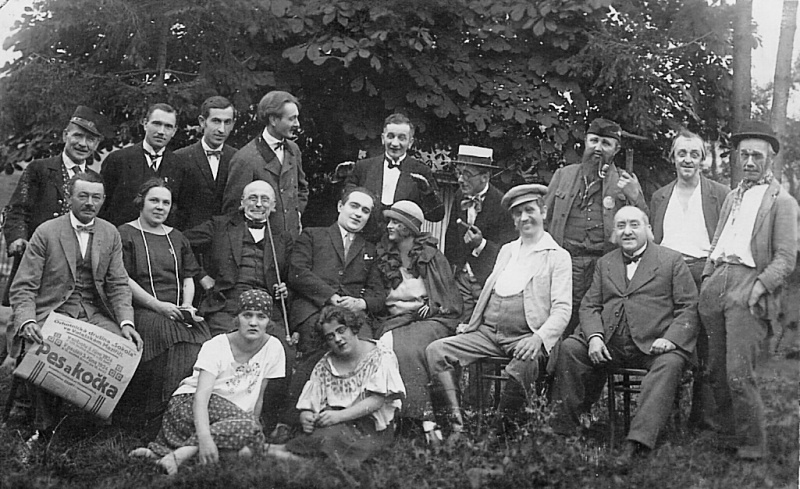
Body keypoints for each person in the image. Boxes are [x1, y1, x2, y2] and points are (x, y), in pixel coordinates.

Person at [550, 206, 698, 465]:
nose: (627, 231)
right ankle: (564, 432)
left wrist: (671, 339)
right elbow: (589, 305)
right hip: (611, 344)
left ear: (648, 229)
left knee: (670, 363)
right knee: (572, 348)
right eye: (621, 226)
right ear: (614, 233)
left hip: (654, 346)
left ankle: (637, 442)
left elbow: (689, 307)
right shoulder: (605, 263)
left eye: (634, 225)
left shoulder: (671, 260)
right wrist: (594, 337)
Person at [427, 184, 571, 437]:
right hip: (488, 334)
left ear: (543, 212)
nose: (524, 218)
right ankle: (455, 430)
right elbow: (491, 289)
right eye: (517, 213)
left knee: (525, 364)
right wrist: (472, 325)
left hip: (525, 337)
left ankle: (499, 434)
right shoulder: (508, 250)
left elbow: (562, 309)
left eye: (530, 210)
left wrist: (538, 338)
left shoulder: (557, 256)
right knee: (437, 351)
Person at [9, 172, 143, 443]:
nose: (90, 203)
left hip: (93, 312)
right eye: (83, 196)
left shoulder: (109, 233)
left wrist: (126, 323)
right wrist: (27, 320)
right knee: (42, 345)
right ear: (69, 198)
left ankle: (94, 427)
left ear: (103, 200)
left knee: (124, 350)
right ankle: (43, 427)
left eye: (96, 197)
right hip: (52, 311)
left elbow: (118, 284)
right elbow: (24, 286)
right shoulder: (46, 231)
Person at [698, 121, 798, 460]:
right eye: (744, 155)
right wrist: (708, 277)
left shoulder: (782, 202)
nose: (750, 162)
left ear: (770, 159)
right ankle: (728, 435)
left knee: (739, 373)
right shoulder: (732, 196)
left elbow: (786, 258)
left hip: (748, 283)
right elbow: (718, 240)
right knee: (715, 371)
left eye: (757, 156)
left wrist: (758, 288)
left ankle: (753, 446)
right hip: (717, 282)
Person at [267, 187, 386, 442]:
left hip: (351, 316)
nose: (358, 214)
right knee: (320, 342)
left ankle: (352, 418)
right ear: (340, 206)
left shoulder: (369, 249)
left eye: (365, 211)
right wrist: (330, 296)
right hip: (314, 308)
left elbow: (378, 293)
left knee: (362, 347)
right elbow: (297, 272)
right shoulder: (313, 235)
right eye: (354, 206)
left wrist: (361, 303)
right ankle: (289, 419)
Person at [129, 289, 286, 475]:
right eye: (247, 315)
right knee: (250, 429)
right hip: (189, 406)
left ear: (269, 321)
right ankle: (179, 456)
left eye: (261, 317)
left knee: (248, 448)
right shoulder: (217, 345)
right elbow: (201, 398)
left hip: (230, 421)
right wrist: (204, 438)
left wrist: (252, 433)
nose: (253, 322)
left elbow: (258, 397)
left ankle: (167, 453)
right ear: (237, 318)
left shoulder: (274, 348)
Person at [649, 129, 730, 429]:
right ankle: (665, 415)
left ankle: (703, 420)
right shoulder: (660, 196)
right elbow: (655, 241)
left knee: (707, 347)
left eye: (694, 154)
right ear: (672, 158)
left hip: (704, 274)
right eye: (681, 153)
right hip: (667, 276)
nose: (687, 159)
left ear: (703, 160)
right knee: (668, 340)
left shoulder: (719, 194)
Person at [117, 178, 211, 427]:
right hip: (144, 309)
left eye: (166, 202)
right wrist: (158, 306)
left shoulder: (177, 237)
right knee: (173, 343)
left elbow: (188, 276)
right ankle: (157, 416)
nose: (160, 207)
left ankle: (184, 415)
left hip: (176, 310)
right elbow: (123, 279)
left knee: (202, 342)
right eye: (154, 201)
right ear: (141, 202)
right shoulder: (125, 234)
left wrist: (187, 305)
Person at [544, 118, 647, 337]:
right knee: (557, 323)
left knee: (595, 325)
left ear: (616, 149)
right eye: (594, 141)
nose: (598, 148)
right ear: (585, 142)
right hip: (564, 264)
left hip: (603, 267)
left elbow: (645, 227)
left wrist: (635, 197)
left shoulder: (625, 181)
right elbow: (544, 218)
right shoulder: (564, 175)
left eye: (606, 143)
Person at [267, 306, 405, 465]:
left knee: (331, 440)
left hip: (372, 427)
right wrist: (307, 415)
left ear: (353, 328)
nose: (338, 339)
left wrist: (339, 416)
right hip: (338, 423)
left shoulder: (380, 354)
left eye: (341, 330)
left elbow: (377, 400)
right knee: (324, 436)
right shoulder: (325, 364)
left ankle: (281, 455)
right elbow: (311, 400)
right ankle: (282, 452)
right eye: (330, 336)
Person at [3, 106, 107, 307]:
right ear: (65, 135)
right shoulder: (39, 169)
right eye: (78, 136)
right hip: (38, 260)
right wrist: (18, 238)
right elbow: (17, 209)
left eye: (90, 139)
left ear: (96, 144)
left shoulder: (95, 180)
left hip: (76, 265)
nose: (83, 144)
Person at [375, 200, 461, 437]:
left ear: (408, 227)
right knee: (384, 345)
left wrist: (432, 305)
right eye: (389, 221)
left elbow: (447, 295)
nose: (389, 226)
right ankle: (390, 416)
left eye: (396, 222)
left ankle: (422, 417)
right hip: (395, 318)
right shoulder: (385, 253)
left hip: (431, 319)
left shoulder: (431, 255)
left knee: (409, 349)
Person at [222, 91, 308, 239]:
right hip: (262, 245)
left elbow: (302, 189)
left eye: (297, 118)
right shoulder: (245, 159)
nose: (297, 124)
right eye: (292, 119)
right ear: (273, 119)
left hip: (292, 241)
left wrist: (294, 214)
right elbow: (233, 212)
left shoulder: (293, 150)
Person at [345, 113, 444, 241]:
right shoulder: (363, 167)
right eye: (390, 136)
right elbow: (345, 205)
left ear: (410, 142)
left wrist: (427, 192)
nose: (395, 143)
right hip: (365, 243)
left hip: (402, 246)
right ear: (383, 138)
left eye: (401, 138)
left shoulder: (421, 171)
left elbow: (436, 215)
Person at [444, 145, 516, 320]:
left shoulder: (502, 204)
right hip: (460, 279)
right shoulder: (460, 196)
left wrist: (481, 244)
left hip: (486, 281)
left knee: (482, 326)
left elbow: (508, 253)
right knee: (456, 324)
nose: (460, 179)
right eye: (459, 173)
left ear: (485, 177)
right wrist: (449, 275)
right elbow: (451, 237)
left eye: (467, 174)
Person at [100, 103, 185, 227]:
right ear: (145, 124)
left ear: (174, 131)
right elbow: (103, 204)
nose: (161, 132)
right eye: (157, 124)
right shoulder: (118, 160)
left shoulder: (179, 166)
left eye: (168, 126)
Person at [174, 96, 237, 231]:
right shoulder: (180, 158)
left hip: (226, 237)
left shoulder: (238, 159)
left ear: (233, 124)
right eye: (216, 121)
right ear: (202, 122)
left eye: (227, 122)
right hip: (189, 237)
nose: (221, 129)